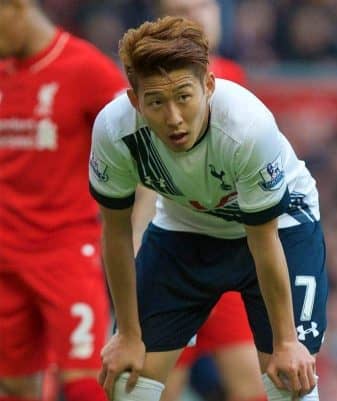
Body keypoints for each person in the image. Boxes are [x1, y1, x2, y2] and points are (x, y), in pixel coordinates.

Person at [89, 15, 327, 401]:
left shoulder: (246, 127)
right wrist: (128, 334)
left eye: (184, 96)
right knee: (127, 380)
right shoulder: (115, 132)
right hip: (186, 229)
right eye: (155, 102)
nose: (174, 118)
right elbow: (115, 232)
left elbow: (263, 240)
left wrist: (286, 342)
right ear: (134, 100)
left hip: (280, 228)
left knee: (290, 378)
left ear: (209, 86)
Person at [131, 1, 264, 400]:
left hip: (228, 256)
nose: (199, 17)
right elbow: (146, 181)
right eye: (182, 9)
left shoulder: (233, 77)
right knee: (161, 388)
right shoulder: (152, 86)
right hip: (174, 259)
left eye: (204, 6)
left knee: (253, 383)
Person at [0, 1, 127, 401]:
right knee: (15, 386)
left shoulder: (86, 69)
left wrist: (132, 226)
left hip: (65, 251)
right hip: (5, 255)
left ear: (16, 7)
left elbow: (137, 148)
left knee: (85, 381)